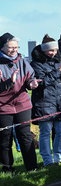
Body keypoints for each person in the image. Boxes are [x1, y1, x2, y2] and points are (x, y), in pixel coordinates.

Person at [0, 33, 40, 173]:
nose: (14, 50)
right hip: (3, 106)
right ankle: (7, 168)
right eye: (11, 47)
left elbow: (30, 77)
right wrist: (9, 82)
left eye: (16, 47)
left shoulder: (22, 61)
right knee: (5, 138)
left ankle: (32, 167)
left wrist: (32, 84)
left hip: (22, 104)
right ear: (2, 47)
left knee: (25, 136)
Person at [30, 34, 61, 166]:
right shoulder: (35, 64)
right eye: (50, 50)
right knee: (46, 132)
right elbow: (42, 82)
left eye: (55, 50)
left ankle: (59, 157)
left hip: (60, 101)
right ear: (43, 50)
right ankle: (47, 161)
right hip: (44, 101)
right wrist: (59, 71)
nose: (53, 53)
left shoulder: (58, 62)